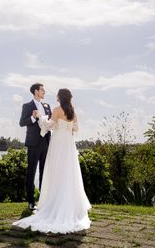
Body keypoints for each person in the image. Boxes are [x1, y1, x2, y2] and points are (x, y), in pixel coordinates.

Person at [13, 88, 91, 234]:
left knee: (55, 172)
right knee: (69, 173)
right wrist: (67, 130)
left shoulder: (56, 109)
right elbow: (76, 129)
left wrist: (40, 117)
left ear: (60, 97)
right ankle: (70, 205)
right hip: (68, 144)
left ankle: (54, 203)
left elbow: (49, 126)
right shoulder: (73, 111)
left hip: (57, 144)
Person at [19, 83, 52, 211]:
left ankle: (43, 201)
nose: (44, 91)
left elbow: (50, 122)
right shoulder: (27, 106)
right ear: (35, 91)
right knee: (31, 172)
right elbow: (22, 122)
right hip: (33, 143)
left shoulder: (47, 106)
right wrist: (33, 117)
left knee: (45, 172)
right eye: (42, 89)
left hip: (46, 142)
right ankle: (31, 202)